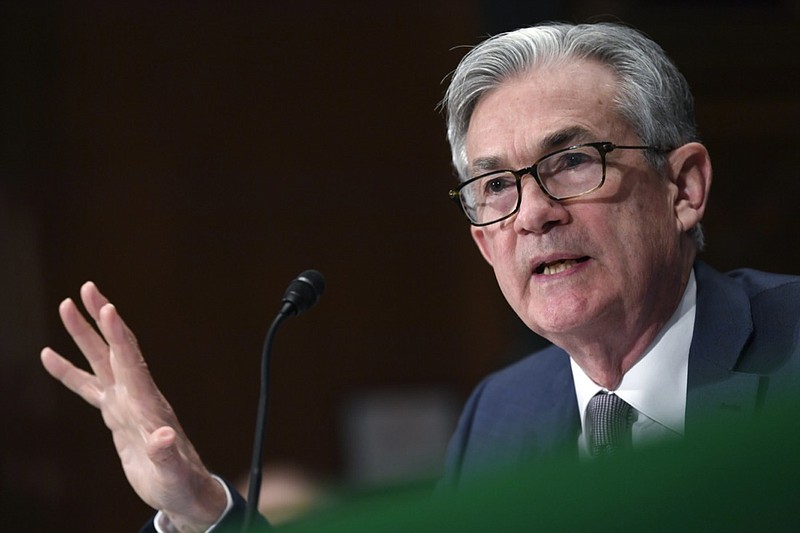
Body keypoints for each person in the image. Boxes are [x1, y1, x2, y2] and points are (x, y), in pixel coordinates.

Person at [40, 21, 800, 532]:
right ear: (482, 243)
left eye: (572, 161)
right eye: (495, 186)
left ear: (684, 188)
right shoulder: (500, 417)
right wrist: (204, 506)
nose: (531, 213)